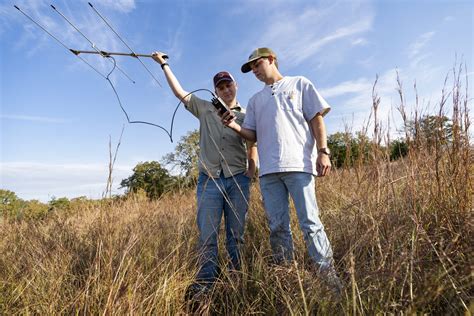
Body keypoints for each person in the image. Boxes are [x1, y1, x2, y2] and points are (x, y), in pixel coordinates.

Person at [221, 47, 342, 293]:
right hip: (269, 174)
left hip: (299, 165)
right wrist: (233, 125)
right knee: (277, 227)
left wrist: (323, 151)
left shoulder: (299, 84)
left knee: (310, 223)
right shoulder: (255, 100)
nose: (254, 70)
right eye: (251, 68)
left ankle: (330, 281)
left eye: (257, 64)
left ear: (272, 60)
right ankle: (288, 279)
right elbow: (251, 135)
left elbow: (316, 118)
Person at [151, 52, 258, 295]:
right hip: (209, 181)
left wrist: (251, 170)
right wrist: (164, 65)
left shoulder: (246, 114)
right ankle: (205, 285)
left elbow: (253, 143)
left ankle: (236, 281)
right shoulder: (205, 109)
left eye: (228, 84)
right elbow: (180, 93)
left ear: (235, 85)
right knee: (208, 237)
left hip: (238, 180)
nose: (225, 90)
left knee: (236, 236)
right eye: (220, 87)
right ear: (216, 91)